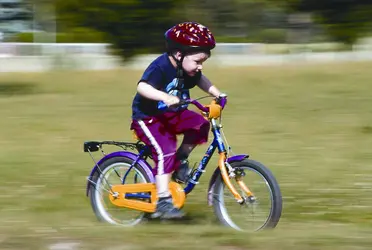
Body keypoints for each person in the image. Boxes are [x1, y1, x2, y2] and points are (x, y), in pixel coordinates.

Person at [130, 22, 227, 219]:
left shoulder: (188, 69)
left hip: (173, 114)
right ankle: (163, 201)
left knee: (200, 124)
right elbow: (142, 87)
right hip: (149, 118)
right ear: (178, 54)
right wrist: (164, 97)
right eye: (198, 61)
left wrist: (217, 93)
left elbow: (201, 79)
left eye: (203, 62)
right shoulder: (161, 66)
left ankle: (179, 160)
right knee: (165, 149)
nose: (200, 66)